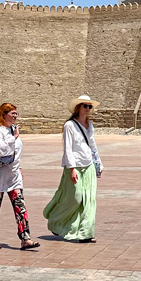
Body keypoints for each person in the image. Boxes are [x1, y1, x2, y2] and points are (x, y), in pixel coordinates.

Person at [43, 95, 104, 243]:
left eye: (90, 106)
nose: (88, 109)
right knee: (76, 197)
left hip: (88, 165)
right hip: (74, 167)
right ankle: (55, 221)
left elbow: (93, 146)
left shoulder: (90, 125)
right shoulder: (69, 125)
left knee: (89, 200)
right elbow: (68, 149)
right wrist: (71, 169)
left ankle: (85, 233)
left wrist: (99, 163)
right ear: (78, 107)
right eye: (85, 106)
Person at [0, 103, 39, 250]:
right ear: (4, 114)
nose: (15, 116)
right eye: (12, 113)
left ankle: (25, 238)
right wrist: (13, 138)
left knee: (20, 206)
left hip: (14, 175)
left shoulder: (13, 129)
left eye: (16, 113)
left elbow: (17, 152)